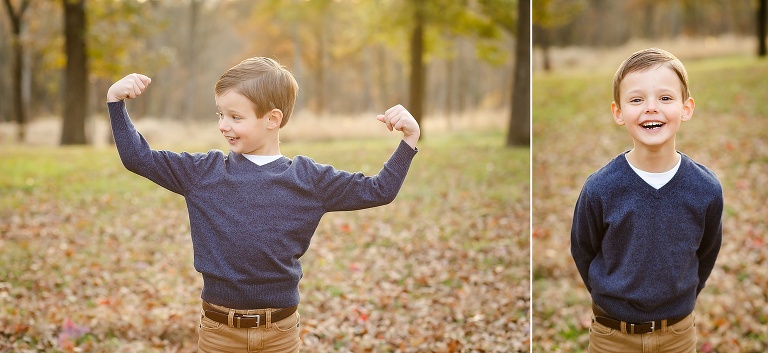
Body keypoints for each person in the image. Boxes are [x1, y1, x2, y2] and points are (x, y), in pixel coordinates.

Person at [106, 57, 420, 352]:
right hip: (219, 333)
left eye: (235, 117)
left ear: (272, 119)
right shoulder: (203, 173)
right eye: (220, 114)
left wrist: (409, 140)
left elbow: (379, 190)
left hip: (280, 334)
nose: (223, 125)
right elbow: (139, 159)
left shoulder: (308, 179)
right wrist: (115, 103)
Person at [570, 48, 723, 352]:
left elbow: (706, 252)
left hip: (677, 335)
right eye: (637, 100)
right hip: (611, 336)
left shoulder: (705, 188)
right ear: (618, 112)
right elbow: (583, 250)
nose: (651, 108)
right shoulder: (600, 188)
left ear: (686, 108)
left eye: (665, 98)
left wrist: (684, 297)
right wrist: (613, 298)